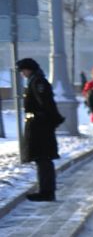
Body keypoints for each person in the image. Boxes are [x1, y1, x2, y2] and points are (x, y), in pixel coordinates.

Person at [17, 58, 61, 202]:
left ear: (29, 69)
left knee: (43, 158)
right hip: (39, 125)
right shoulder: (34, 80)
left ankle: (46, 192)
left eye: (23, 70)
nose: (22, 73)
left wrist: (47, 121)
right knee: (41, 159)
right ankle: (45, 190)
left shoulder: (38, 82)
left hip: (40, 126)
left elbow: (46, 104)